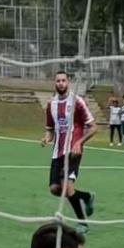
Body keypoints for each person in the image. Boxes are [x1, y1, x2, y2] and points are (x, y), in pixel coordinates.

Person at [42, 71, 97, 231]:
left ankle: (83, 223)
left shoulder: (77, 102)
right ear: (54, 83)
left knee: (67, 188)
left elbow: (93, 127)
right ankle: (86, 197)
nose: (60, 83)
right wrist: (47, 138)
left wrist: (79, 143)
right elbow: (50, 129)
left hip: (73, 151)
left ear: (68, 82)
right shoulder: (50, 104)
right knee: (54, 189)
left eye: (63, 80)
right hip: (57, 152)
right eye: (58, 81)